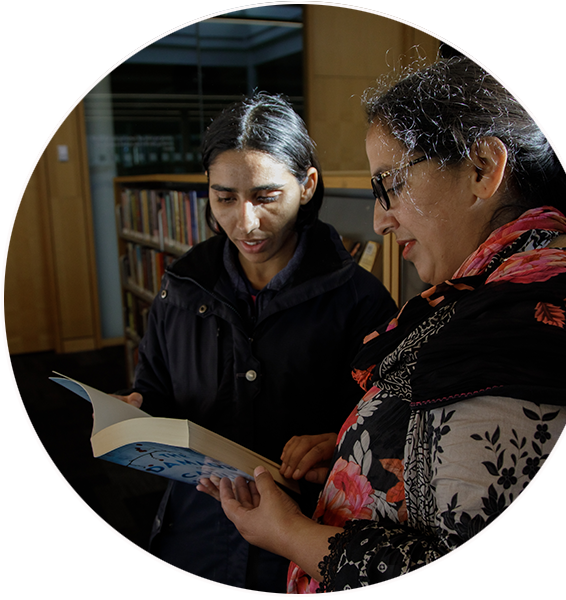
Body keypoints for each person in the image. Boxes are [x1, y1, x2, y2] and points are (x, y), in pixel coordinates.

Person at [214, 54, 566, 594]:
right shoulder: (503, 292)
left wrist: (292, 535)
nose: (379, 218)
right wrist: (364, 456)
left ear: (483, 168)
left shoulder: (537, 316)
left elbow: (480, 585)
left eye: (390, 184)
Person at [115, 92, 397, 594]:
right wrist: (136, 407)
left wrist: (337, 443)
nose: (244, 222)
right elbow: (155, 386)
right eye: (224, 197)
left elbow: (389, 431)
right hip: (197, 529)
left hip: (303, 536)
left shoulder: (361, 300)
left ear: (307, 186)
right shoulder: (181, 286)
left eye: (266, 197)